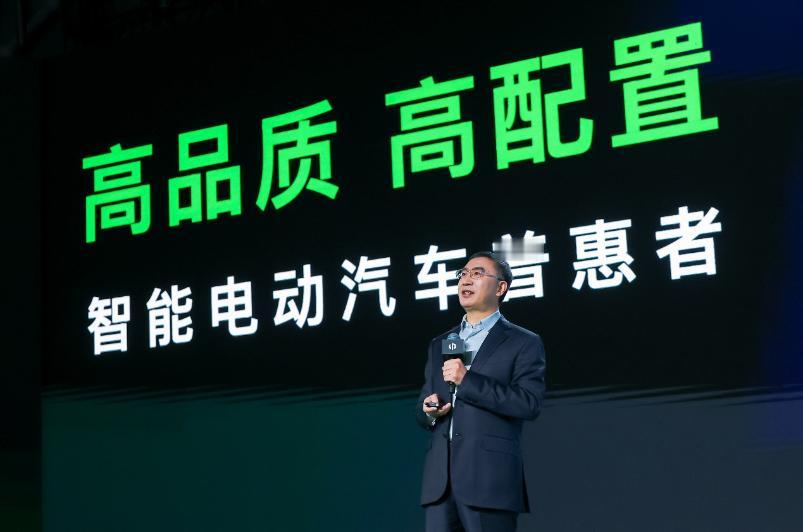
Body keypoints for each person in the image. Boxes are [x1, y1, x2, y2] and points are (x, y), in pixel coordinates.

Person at [416, 251, 546, 532]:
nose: (466, 280)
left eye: (477, 274)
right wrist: (429, 411)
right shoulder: (442, 343)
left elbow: (528, 403)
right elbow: (422, 409)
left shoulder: (523, 342)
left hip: (489, 481)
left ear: (500, 288)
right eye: (462, 274)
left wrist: (468, 381)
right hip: (441, 486)